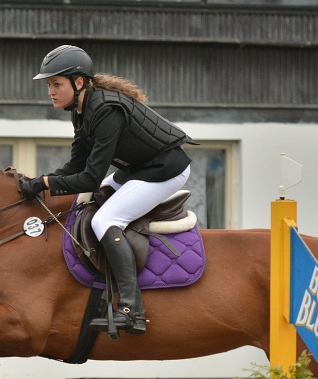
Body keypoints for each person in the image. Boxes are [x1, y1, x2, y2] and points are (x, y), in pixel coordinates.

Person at [23, 45, 195, 335]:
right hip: (138, 169)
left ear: (79, 82)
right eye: (49, 85)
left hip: (166, 169)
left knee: (106, 219)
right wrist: (40, 182)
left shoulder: (106, 111)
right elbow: (75, 166)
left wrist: (47, 183)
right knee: (91, 201)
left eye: (56, 84)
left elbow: (89, 178)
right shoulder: (80, 111)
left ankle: (132, 308)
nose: (50, 91)